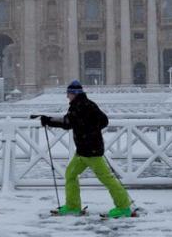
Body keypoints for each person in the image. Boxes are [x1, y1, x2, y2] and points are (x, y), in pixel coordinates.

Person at [40, 80, 132, 218]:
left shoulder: (79, 106)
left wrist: (48, 120)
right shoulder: (89, 104)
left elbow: (67, 122)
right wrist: (91, 130)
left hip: (91, 152)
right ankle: (72, 206)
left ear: (74, 94)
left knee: (107, 179)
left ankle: (124, 206)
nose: (67, 96)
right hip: (84, 151)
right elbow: (103, 120)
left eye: (68, 94)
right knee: (70, 174)